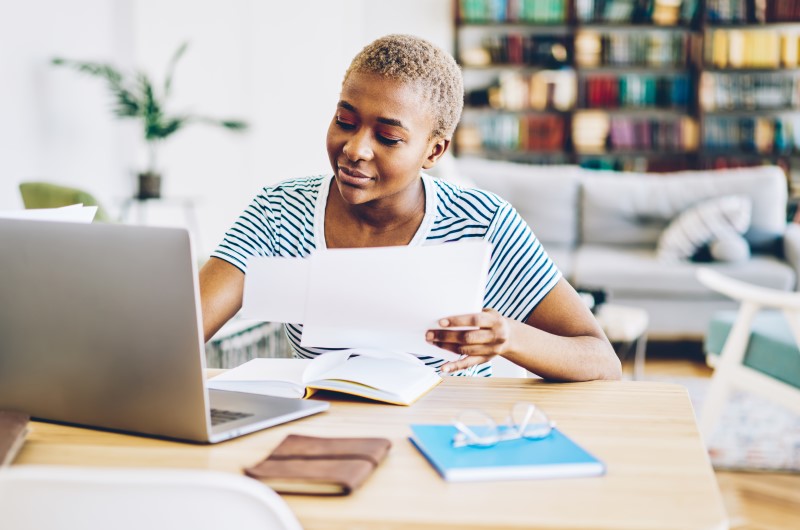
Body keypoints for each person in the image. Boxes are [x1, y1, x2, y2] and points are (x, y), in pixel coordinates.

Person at [200, 34, 621, 381]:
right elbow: (183, 332)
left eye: (388, 137)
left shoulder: (482, 223)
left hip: (444, 433)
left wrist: (509, 337)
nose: (355, 149)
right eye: (345, 121)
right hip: (322, 430)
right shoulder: (279, 211)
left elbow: (601, 360)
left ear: (433, 151)